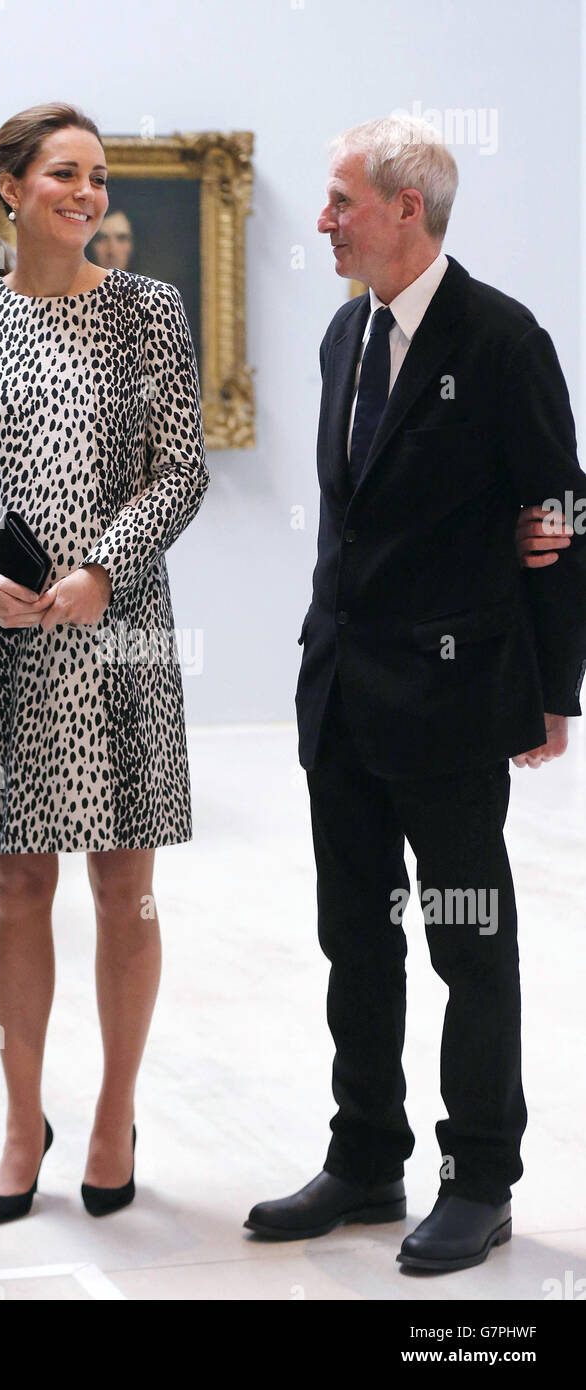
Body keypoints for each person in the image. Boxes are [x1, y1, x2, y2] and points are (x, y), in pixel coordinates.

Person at [245, 116, 586, 1272]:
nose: (324, 221)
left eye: (340, 201)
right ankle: (365, 1157)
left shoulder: (500, 338)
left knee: (466, 940)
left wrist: (554, 689)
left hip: (448, 702)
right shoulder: (348, 333)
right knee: (355, 938)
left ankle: (479, 1174)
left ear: (406, 208)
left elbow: (563, 509)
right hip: (339, 691)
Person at [0, 102, 209, 1222]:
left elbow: (177, 473)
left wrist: (99, 567)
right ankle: (19, 1117)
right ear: (9, 189)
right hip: (0, 641)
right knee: (16, 882)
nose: (89, 194)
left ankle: (110, 1112)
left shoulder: (149, 311)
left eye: (100, 176)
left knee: (123, 886)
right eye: (65, 175)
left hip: (119, 631)